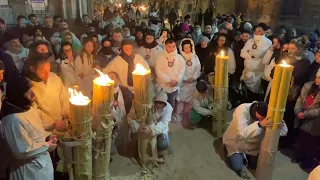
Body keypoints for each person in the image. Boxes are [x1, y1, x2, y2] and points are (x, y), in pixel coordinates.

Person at [1, 77, 57, 180]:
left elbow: (35, 131)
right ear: (18, 96)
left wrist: (47, 136)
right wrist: (46, 146)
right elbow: (21, 150)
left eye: (32, 90)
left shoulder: (28, 109)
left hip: (41, 165)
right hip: (28, 170)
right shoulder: (12, 120)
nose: (33, 95)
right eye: (28, 92)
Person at [223, 101, 288, 178]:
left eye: (264, 118)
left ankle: (247, 157)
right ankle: (227, 150)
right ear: (255, 111)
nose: (263, 119)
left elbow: (283, 132)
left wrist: (281, 125)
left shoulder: (268, 115)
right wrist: (260, 124)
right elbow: (242, 133)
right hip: (236, 142)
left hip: (252, 146)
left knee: (257, 165)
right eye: (262, 117)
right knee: (238, 167)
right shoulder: (242, 109)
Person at [25, 55, 69, 132]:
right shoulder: (29, 87)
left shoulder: (54, 77)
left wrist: (68, 112)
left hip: (63, 121)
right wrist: (53, 123)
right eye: (43, 71)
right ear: (32, 69)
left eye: (49, 70)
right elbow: (34, 111)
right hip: (46, 128)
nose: (47, 74)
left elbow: (64, 97)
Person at [128, 91, 172, 159]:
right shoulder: (143, 105)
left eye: (161, 104)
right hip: (142, 127)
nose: (159, 107)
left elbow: (164, 124)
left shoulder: (168, 108)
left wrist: (151, 129)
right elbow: (130, 118)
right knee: (135, 141)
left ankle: (160, 152)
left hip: (157, 128)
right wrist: (138, 127)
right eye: (157, 104)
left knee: (163, 143)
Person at [294, 70, 320, 169]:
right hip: (302, 116)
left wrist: (305, 114)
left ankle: (308, 161)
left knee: (311, 142)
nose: (316, 79)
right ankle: (300, 155)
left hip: (315, 122)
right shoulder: (308, 86)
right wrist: (298, 111)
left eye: (319, 78)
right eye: (317, 77)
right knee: (302, 138)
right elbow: (300, 99)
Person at [241, 25, 272, 102]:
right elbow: (242, 53)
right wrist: (251, 55)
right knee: (247, 94)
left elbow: (262, 55)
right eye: (256, 31)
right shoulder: (250, 41)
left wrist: (252, 53)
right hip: (248, 70)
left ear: (264, 31)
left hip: (258, 73)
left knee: (256, 95)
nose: (257, 32)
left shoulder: (268, 42)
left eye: (260, 31)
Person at [176, 38, 201, 122]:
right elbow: (178, 70)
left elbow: (198, 68)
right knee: (181, 100)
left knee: (190, 101)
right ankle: (178, 114)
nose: (187, 50)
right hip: (183, 83)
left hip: (192, 83)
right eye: (185, 48)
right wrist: (185, 78)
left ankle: (187, 115)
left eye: (189, 47)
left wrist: (193, 77)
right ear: (182, 48)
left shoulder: (195, 57)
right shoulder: (179, 58)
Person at [155, 39, 185, 108]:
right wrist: (169, 80)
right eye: (169, 46)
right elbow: (159, 71)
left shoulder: (179, 58)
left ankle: (170, 117)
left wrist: (176, 80)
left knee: (171, 105)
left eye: (173, 46)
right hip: (163, 86)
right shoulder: (160, 58)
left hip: (173, 87)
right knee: (161, 106)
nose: (172, 48)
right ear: (165, 46)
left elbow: (181, 70)